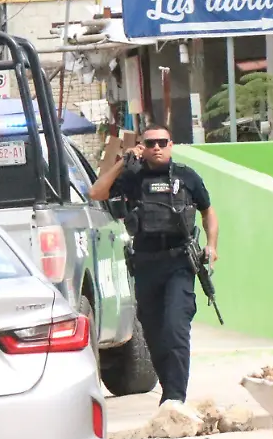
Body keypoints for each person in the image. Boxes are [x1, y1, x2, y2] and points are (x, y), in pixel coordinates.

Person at [89, 123, 219, 413]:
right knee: (154, 334)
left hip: (178, 263)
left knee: (175, 328)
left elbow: (208, 211)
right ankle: (169, 395)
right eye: (150, 143)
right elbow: (96, 192)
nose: (156, 148)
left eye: (162, 142)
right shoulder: (133, 178)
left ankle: (175, 397)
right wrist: (124, 161)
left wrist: (212, 245)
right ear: (142, 147)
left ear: (171, 144)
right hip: (147, 264)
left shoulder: (186, 176)